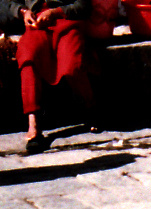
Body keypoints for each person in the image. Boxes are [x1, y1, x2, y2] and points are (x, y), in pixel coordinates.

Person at [17, 0, 97, 154]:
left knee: (72, 65)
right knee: (27, 56)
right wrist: (24, 12)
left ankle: (91, 107)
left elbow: (84, 6)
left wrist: (55, 12)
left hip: (66, 20)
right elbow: (11, 3)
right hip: (37, 24)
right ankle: (33, 124)